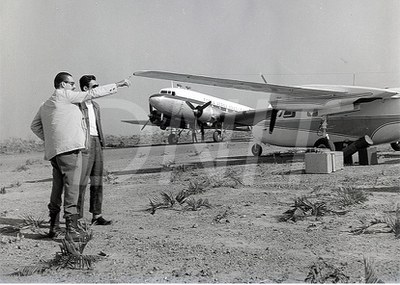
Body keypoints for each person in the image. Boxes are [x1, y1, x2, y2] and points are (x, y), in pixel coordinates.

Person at [30, 72, 131, 240]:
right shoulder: (67, 97)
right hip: (70, 151)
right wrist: (118, 84)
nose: (73, 86)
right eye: (71, 83)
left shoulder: (46, 104)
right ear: (62, 85)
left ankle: (54, 227)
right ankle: (71, 229)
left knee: (57, 188)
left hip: (55, 153)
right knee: (73, 188)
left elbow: (34, 126)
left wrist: (52, 141)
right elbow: (92, 93)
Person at [77, 75, 111, 225]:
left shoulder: (96, 106)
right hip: (84, 144)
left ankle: (97, 215)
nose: (98, 89)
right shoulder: (77, 105)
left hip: (97, 142)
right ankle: (75, 217)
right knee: (80, 182)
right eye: (94, 86)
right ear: (85, 89)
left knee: (97, 180)